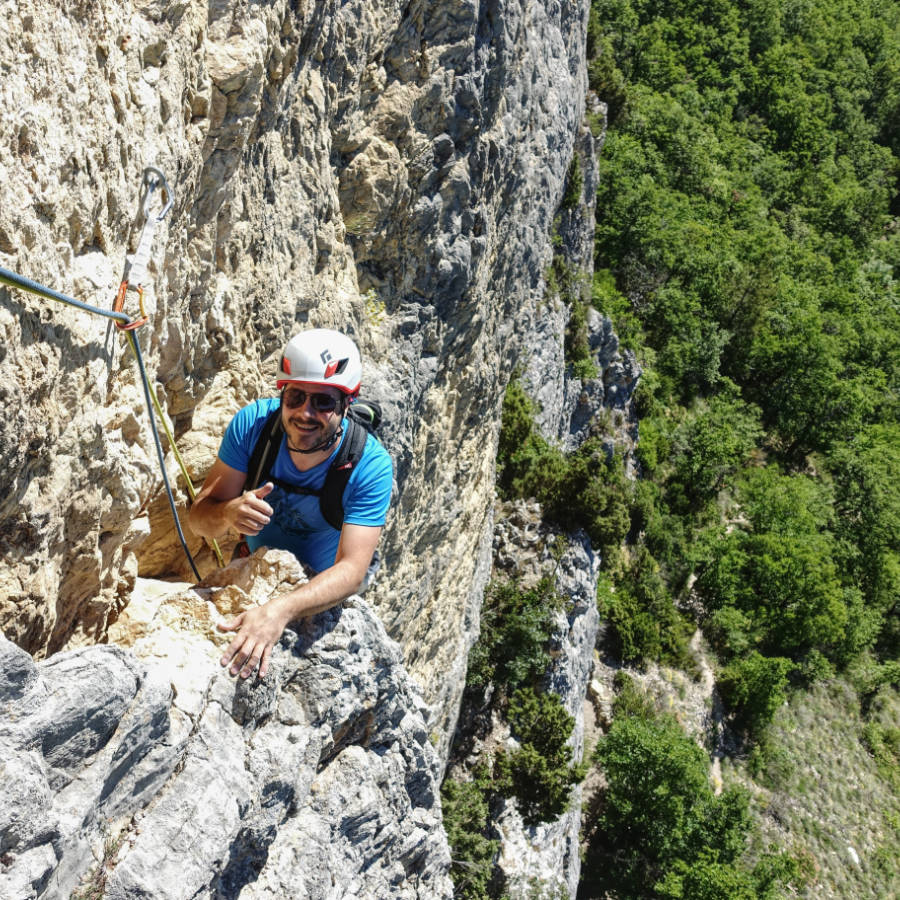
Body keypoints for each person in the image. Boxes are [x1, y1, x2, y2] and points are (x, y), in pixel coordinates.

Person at [189, 328, 393, 680]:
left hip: (319, 585)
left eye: (323, 402)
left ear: (347, 404)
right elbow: (197, 520)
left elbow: (352, 571)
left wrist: (279, 611)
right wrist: (226, 512)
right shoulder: (254, 427)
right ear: (282, 393)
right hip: (258, 566)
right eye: (295, 396)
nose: (305, 413)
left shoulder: (368, 465)